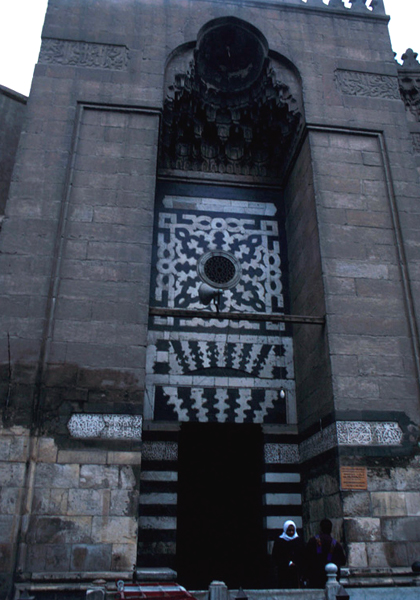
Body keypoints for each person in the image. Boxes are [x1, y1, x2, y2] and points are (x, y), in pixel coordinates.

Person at [305, 518, 346, 589]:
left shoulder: (312, 542)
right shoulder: (336, 544)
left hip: (314, 579)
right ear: (331, 529)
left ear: (320, 529)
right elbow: (343, 561)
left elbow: (305, 559)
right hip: (331, 580)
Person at [272, 520, 304, 588]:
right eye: (289, 530)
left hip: (296, 572)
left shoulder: (298, 541)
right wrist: (287, 563)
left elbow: (302, 555)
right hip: (283, 571)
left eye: (292, 530)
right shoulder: (279, 541)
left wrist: (296, 563)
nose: (291, 532)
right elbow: (276, 556)